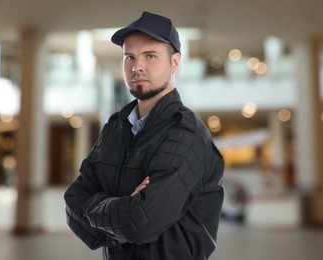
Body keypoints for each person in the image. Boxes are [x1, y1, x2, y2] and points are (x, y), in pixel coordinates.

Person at [64, 11, 224, 260]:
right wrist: (123, 208)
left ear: (174, 62)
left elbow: (140, 222)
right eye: (130, 57)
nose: (137, 66)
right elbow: (73, 201)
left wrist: (99, 208)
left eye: (150, 55)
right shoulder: (115, 128)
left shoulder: (187, 135)